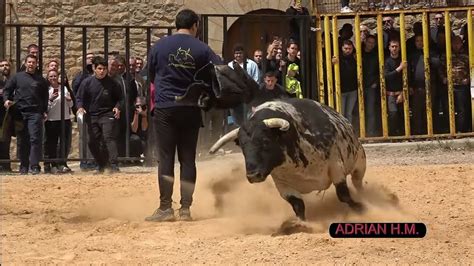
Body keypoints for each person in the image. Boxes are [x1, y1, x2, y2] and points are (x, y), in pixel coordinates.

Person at [145, 9, 222, 222]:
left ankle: (165, 208)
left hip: (165, 107)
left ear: (176, 23)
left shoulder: (159, 46)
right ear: (195, 25)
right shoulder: (203, 48)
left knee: (166, 158)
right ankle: (186, 209)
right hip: (190, 107)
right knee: (188, 159)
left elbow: (151, 75)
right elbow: (218, 72)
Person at [76, 56, 123, 174]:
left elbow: (120, 99)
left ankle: (113, 164)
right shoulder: (87, 83)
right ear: (94, 68)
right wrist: (80, 107)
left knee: (108, 138)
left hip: (107, 114)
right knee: (92, 141)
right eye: (100, 68)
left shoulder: (113, 83)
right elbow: (79, 98)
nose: (102, 71)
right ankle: (100, 164)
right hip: (91, 115)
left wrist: (117, 107)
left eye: (104, 69)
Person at [3, 54, 49, 174]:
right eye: (29, 62)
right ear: (25, 63)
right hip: (20, 112)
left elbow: (45, 97)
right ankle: (23, 166)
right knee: (23, 140)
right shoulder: (17, 77)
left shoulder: (41, 80)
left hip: (35, 113)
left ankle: (34, 166)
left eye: (33, 62)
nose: (31, 64)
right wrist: (6, 100)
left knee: (35, 139)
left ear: (36, 64)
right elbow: (7, 89)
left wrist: (44, 111)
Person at [44, 69, 73, 173]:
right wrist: (50, 99)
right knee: (52, 143)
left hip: (64, 119)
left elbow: (71, 105)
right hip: (52, 120)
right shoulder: (47, 90)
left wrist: (69, 100)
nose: (53, 78)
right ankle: (53, 164)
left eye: (55, 76)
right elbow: (45, 107)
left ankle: (62, 163)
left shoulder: (64, 88)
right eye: (51, 76)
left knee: (64, 143)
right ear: (48, 78)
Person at [384, 40, 407, 136]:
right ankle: (392, 135)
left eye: (396, 46)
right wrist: (399, 68)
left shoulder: (403, 60)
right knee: (393, 114)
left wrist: (403, 92)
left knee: (402, 115)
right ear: (389, 47)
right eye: (392, 46)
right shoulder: (387, 61)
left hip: (401, 92)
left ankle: (403, 134)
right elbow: (387, 76)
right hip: (390, 94)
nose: (394, 48)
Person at [0, 59, 12, 172]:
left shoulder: (13, 80)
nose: (4, 67)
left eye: (7, 65)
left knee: (6, 140)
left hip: (9, 115)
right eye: (2, 65)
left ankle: (6, 166)